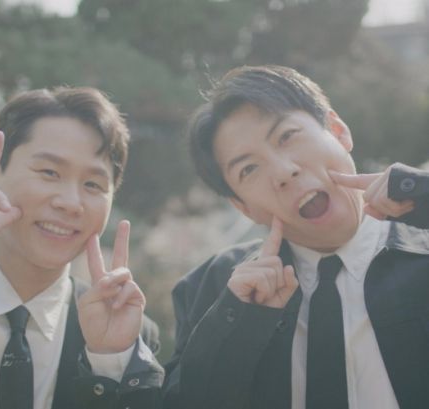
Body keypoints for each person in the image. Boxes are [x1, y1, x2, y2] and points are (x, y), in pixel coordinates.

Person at [164, 65, 429, 409]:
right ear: (243, 207)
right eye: (249, 169)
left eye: (286, 136)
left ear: (338, 131)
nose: (283, 172)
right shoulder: (212, 288)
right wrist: (238, 321)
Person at [0, 86, 164, 409]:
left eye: (93, 184)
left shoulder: (125, 337)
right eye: (49, 172)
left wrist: (109, 367)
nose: (71, 203)